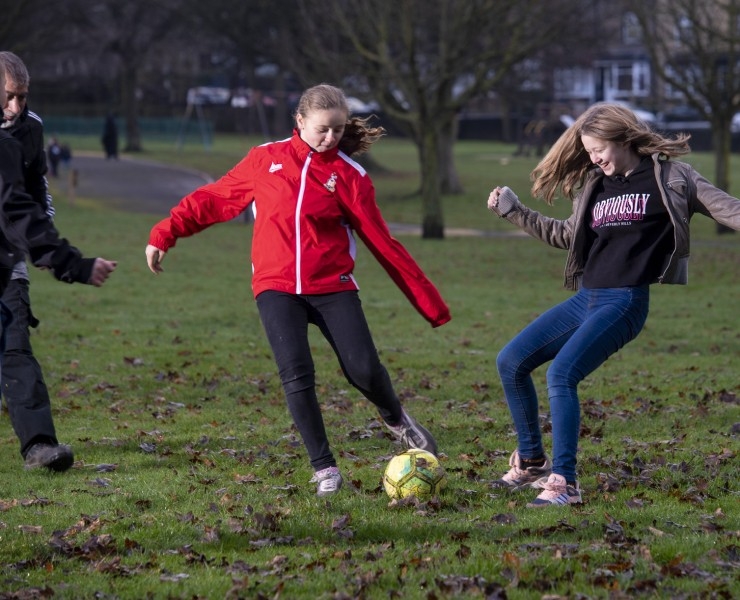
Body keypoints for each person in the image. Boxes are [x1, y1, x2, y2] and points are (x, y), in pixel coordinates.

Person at [145, 83, 451, 496]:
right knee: (296, 375)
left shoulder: (351, 177)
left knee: (362, 367)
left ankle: (396, 418)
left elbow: (384, 244)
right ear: (300, 121)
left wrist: (429, 304)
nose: (330, 138)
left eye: (339, 131)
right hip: (275, 287)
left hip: (332, 286)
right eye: (323, 129)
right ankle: (324, 468)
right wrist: (165, 233)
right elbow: (214, 199)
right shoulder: (264, 159)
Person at [486, 102, 740, 508]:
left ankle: (564, 482)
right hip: (586, 297)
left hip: (624, 301)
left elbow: (731, 209)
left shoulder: (672, 178)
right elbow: (566, 235)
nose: (593, 158)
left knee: (561, 375)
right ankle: (532, 460)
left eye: (597, 149)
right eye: (587, 151)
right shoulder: (596, 184)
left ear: (623, 139)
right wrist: (514, 211)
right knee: (511, 361)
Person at [0, 51, 118, 471]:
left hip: (7, 260)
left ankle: (39, 446)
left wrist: (45, 245)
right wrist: (68, 261)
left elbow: (33, 197)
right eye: (9, 97)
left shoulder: (30, 129)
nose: (17, 107)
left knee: (16, 349)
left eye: (23, 97)